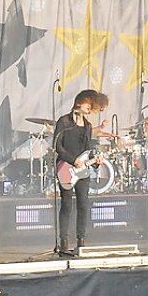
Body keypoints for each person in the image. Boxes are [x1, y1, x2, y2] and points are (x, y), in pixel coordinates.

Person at [52, 91, 109, 258]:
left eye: (92, 106)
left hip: (83, 171)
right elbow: (57, 146)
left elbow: (87, 150)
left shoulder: (88, 126)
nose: (89, 108)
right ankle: (63, 243)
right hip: (65, 168)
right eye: (88, 104)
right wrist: (72, 160)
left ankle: (81, 241)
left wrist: (95, 161)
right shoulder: (64, 121)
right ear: (79, 103)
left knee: (83, 205)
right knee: (67, 205)